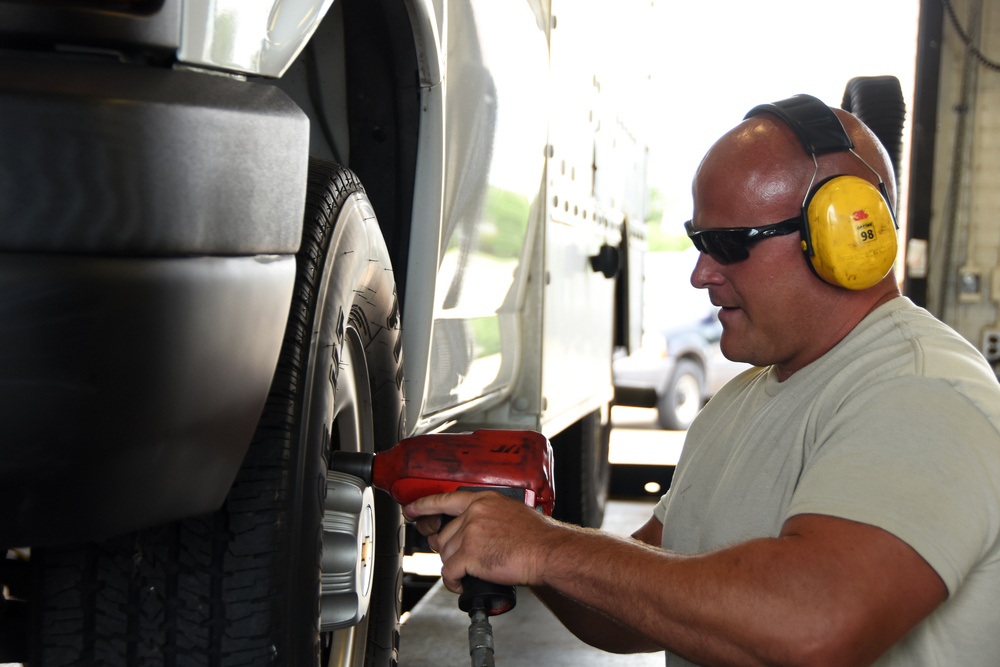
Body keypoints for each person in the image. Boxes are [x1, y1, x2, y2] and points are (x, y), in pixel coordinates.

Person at [404, 95, 1000, 666]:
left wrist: (548, 548)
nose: (699, 273)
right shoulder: (738, 405)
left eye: (728, 244)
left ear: (847, 234)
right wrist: (518, 544)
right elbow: (632, 612)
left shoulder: (922, 391)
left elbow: (815, 628)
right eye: (697, 242)